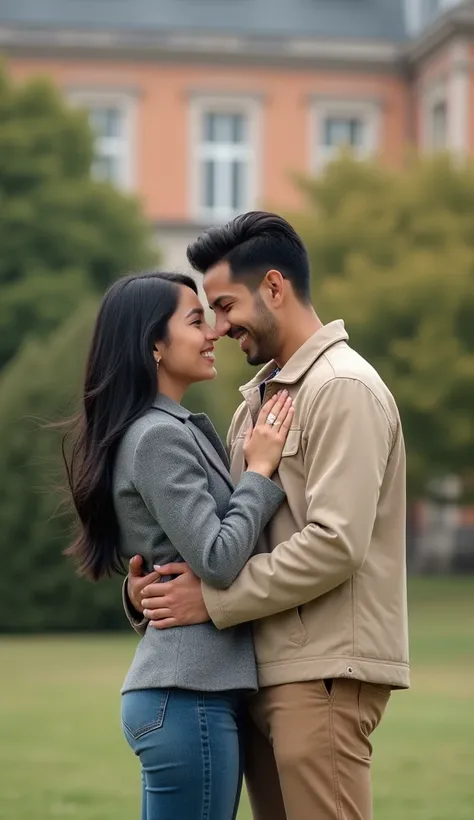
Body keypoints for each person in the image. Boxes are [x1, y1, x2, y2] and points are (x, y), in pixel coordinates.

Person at [125, 213, 410, 820]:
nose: (219, 327)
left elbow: (336, 543)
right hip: (262, 672)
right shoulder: (260, 403)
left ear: (274, 288)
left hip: (324, 672)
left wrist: (214, 602)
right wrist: (147, 591)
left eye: (225, 306)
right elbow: (222, 539)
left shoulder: (343, 388)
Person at [63, 270, 295, 820]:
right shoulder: (158, 436)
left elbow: (171, 552)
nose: (214, 331)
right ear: (155, 347)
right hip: (188, 696)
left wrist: (138, 593)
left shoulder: (169, 427)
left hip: (185, 695)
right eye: (196, 321)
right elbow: (215, 559)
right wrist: (259, 473)